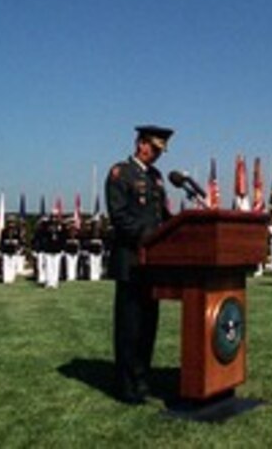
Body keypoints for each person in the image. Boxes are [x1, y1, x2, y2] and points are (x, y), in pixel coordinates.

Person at [105, 125, 173, 405]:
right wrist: (149, 237)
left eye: (160, 151)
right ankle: (126, 384)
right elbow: (119, 217)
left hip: (152, 263)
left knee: (148, 326)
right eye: (153, 148)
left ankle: (143, 377)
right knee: (130, 326)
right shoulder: (120, 173)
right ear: (140, 144)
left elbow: (164, 216)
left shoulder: (156, 178)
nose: (156, 155)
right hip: (131, 261)